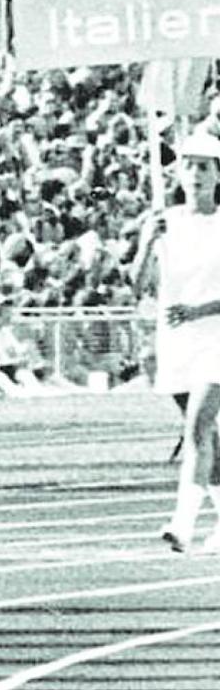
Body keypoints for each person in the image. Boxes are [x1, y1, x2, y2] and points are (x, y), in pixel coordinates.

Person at [136, 132, 220, 553]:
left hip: (216, 337)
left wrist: (197, 310)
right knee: (207, 438)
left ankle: (182, 524)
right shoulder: (166, 220)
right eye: (189, 166)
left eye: (204, 167)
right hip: (177, 342)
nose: (195, 174)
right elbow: (138, 285)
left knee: (198, 428)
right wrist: (149, 239)